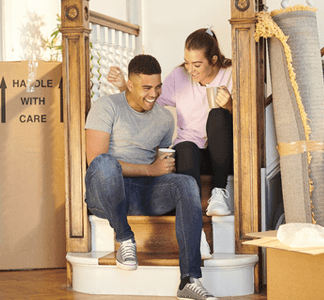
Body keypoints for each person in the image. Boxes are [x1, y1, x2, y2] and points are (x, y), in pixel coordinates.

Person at [85, 54, 219, 300]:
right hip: (105, 194)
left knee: (186, 183)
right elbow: (94, 160)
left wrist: (163, 168)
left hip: (141, 193)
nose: (154, 94)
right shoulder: (106, 106)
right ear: (130, 85)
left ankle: (189, 279)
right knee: (105, 163)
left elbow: (159, 163)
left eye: (158, 87)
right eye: (146, 88)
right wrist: (150, 170)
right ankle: (125, 239)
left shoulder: (165, 118)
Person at [108, 27, 234, 250]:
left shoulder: (232, 72)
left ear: (213, 59)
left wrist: (231, 105)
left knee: (217, 114)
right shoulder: (179, 77)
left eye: (197, 65)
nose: (190, 70)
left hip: (224, 151)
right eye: (187, 63)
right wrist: (123, 87)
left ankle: (219, 192)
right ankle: (195, 232)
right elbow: (150, 100)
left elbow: (252, 117)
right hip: (194, 154)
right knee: (184, 147)